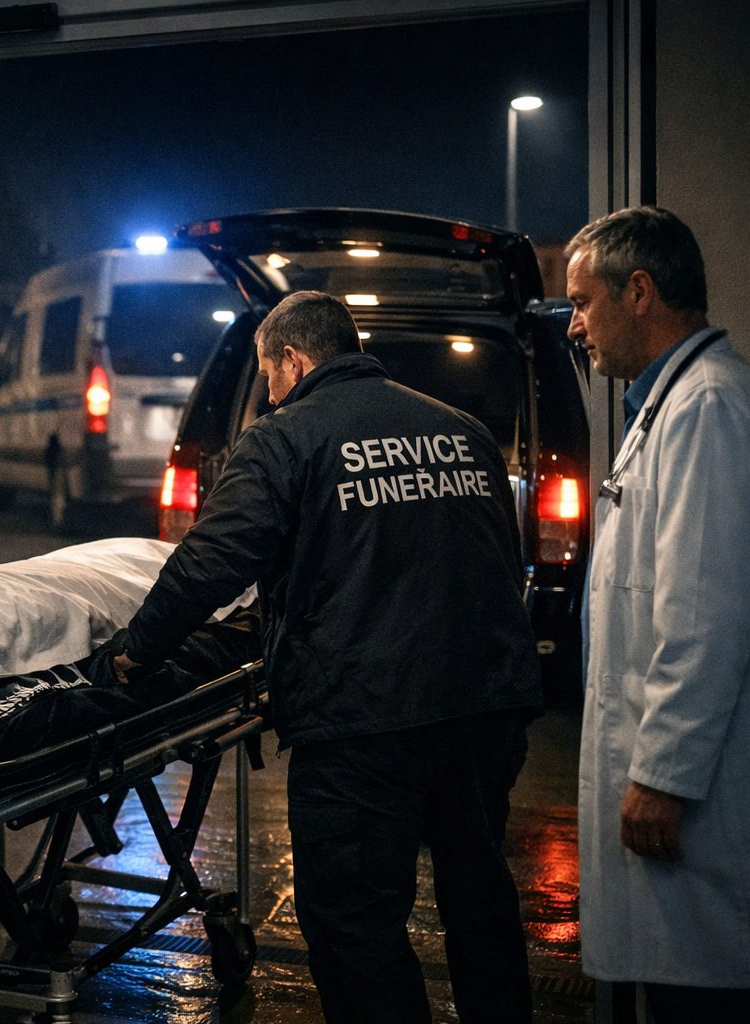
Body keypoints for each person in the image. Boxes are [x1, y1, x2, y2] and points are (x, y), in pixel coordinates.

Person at [90, 291, 541, 1022]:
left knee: (354, 923)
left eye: (270, 376)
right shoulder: (463, 432)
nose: (269, 393)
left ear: (294, 361)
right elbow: (496, 561)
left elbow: (207, 565)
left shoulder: (285, 438)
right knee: (481, 902)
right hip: (485, 708)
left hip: (363, 723)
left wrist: (133, 656)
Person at [567, 207, 750, 1020]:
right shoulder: (668, 404)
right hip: (675, 795)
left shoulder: (709, 406)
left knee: (703, 1000)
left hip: (695, 804)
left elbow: (707, 613)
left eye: (583, 302)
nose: (575, 325)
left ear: (639, 292)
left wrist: (662, 775)